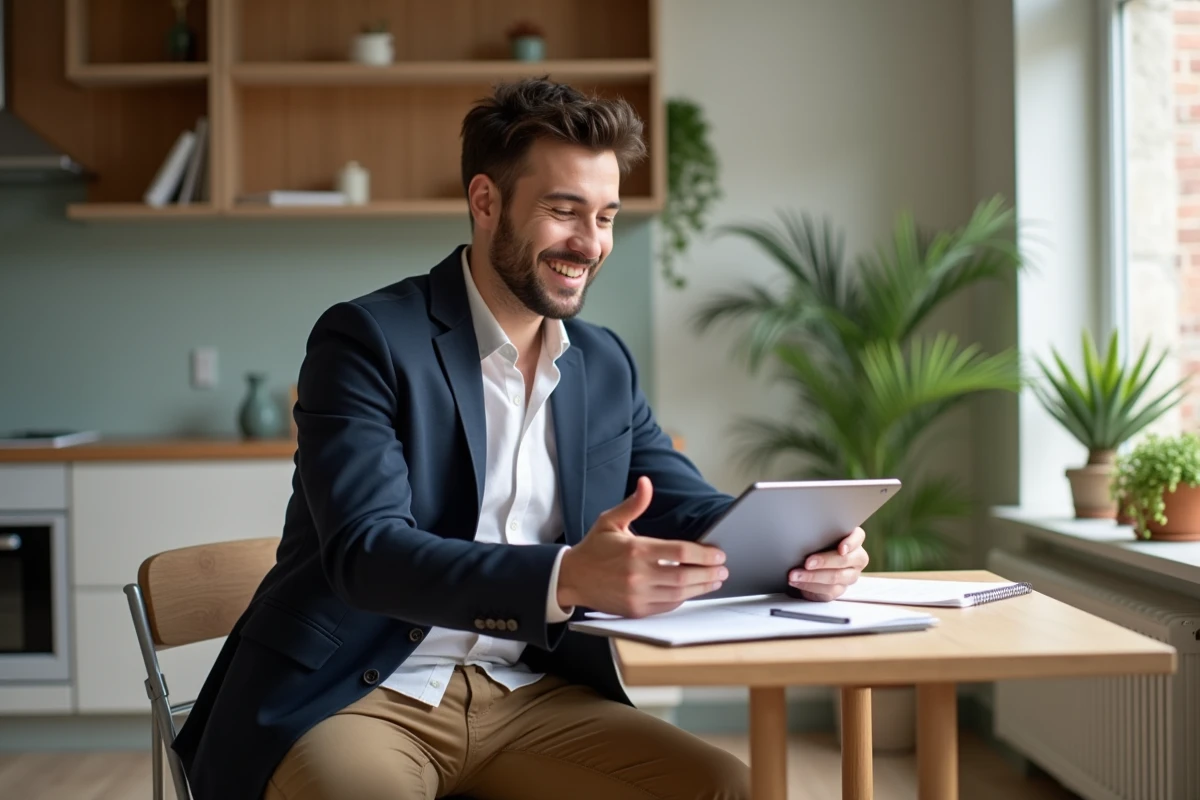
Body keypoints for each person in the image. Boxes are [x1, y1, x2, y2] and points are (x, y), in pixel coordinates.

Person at [173, 77, 870, 800]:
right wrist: (566, 578)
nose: (589, 244)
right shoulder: (367, 340)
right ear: (485, 202)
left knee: (728, 789)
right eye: (564, 211)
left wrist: (802, 544)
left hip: (530, 695)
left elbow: (680, 504)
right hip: (359, 693)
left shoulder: (602, 363)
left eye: (605, 216)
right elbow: (366, 553)